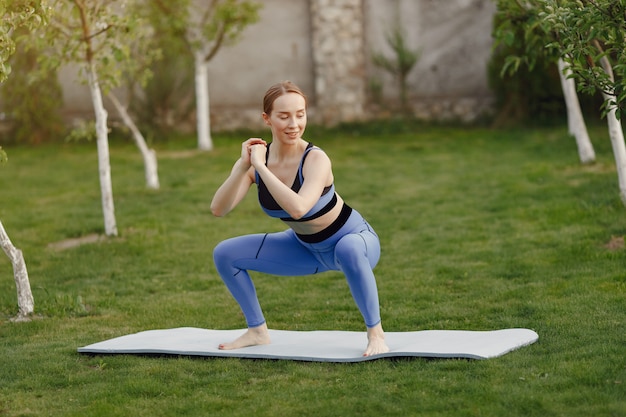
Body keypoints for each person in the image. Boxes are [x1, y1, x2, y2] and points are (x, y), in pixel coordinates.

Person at [210, 81, 389, 356]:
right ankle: (257, 331)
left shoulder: (316, 159)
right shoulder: (256, 162)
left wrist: (260, 166)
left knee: (348, 247)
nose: (294, 123)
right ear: (266, 119)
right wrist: (242, 167)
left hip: (355, 242)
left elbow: (299, 209)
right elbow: (218, 209)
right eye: (284, 116)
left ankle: (376, 334)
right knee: (225, 253)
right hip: (305, 248)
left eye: (300, 114)